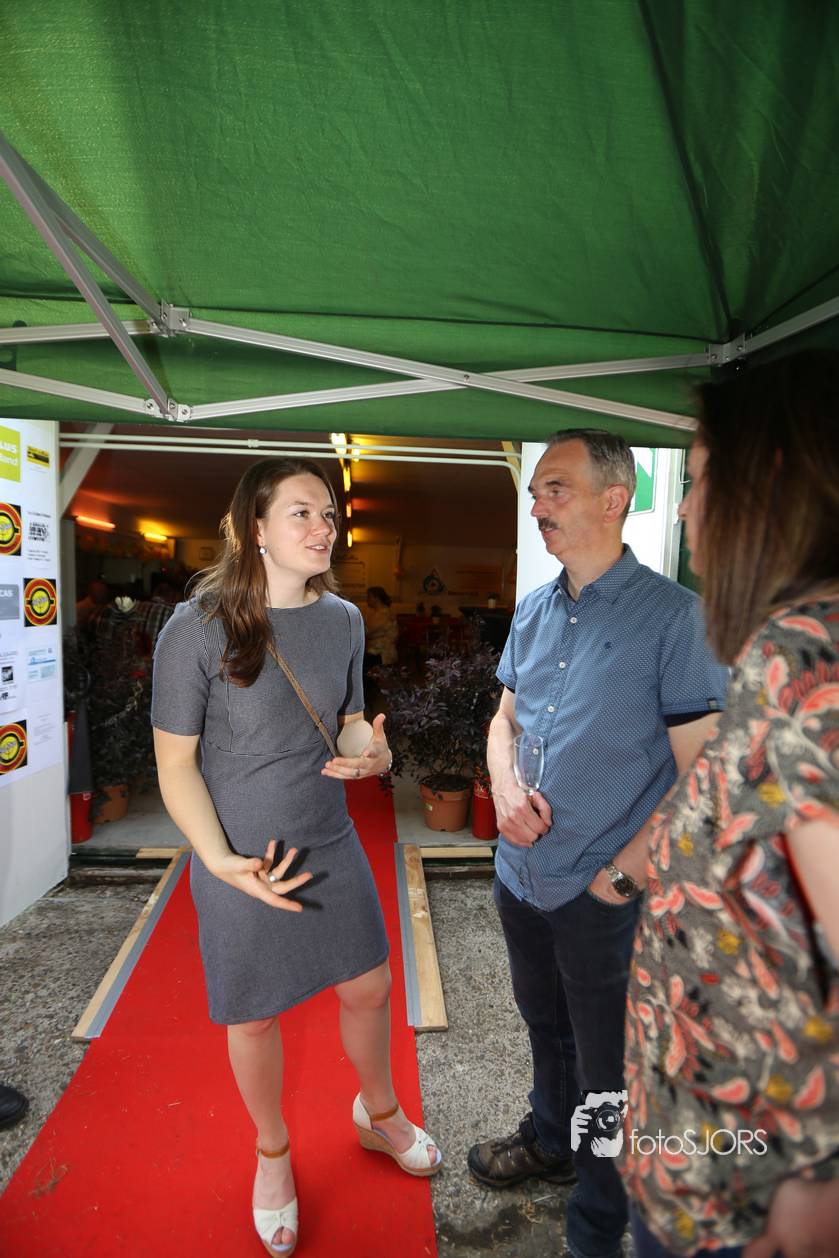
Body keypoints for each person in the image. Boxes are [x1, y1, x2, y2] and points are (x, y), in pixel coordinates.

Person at [151, 457, 441, 1258]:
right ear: (256, 528)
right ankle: (272, 1151)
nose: (324, 528)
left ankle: (378, 1112)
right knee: (252, 1014)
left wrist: (370, 752)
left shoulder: (342, 619)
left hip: (326, 833)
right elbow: (174, 764)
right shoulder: (196, 627)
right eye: (303, 513)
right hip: (238, 850)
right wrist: (217, 858)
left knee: (369, 985)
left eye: (329, 514)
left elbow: (345, 716)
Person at [467, 429, 730, 1258]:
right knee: (542, 1023)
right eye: (535, 490)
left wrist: (620, 878)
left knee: (610, 1068)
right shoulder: (534, 608)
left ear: (613, 500)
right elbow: (502, 721)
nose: (536, 504)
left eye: (555, 488)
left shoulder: (676, 619)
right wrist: (504, 790)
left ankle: (597, 1219)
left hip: (605, 896)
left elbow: (705, 777)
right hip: (521, 875)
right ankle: (551, 1140)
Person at [620, 350, 839, 1258]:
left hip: (748, 1203)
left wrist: (819, 1196)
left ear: (769, 481)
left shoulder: (806, 664)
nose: (681, 509)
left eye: (698, 477)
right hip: (706, 1161)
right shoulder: (776, 653)